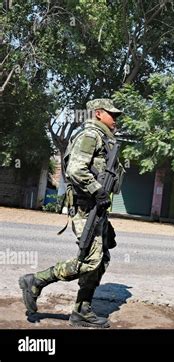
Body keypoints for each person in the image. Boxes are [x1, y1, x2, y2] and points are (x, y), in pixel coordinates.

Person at [19, 99, 124, 328]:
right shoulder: (90, 136)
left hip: (97, 208)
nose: (115, 119)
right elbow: (76, 170)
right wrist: (98, 191)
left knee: (102, 259)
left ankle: (82, 311)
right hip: (87, 207)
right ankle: (36, 280)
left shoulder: (105, 139)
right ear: (98, 113)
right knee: (90, 261)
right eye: (111, 114)